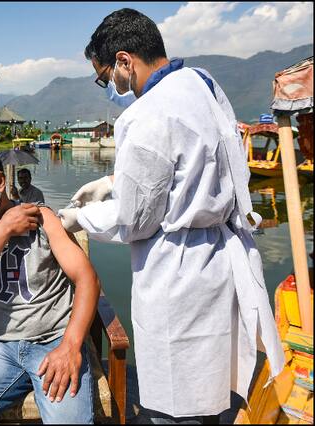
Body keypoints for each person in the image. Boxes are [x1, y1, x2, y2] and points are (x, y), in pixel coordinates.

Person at [58, 8, 284, 424]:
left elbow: (134, 220)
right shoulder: (201, 83)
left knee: (176, 403)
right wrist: (114, 180)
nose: (110, 86)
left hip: (178, 274)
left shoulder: (144, 114)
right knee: (217, 389)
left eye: (105, 77)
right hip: (220, 259)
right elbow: (200, 163)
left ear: (124, 61)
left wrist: (80, 218)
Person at [0, 144, 100, 424]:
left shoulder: (42, 218)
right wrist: (5, 228)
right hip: (0, 348)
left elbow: (87, 278)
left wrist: (71, 345)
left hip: (53, 340)